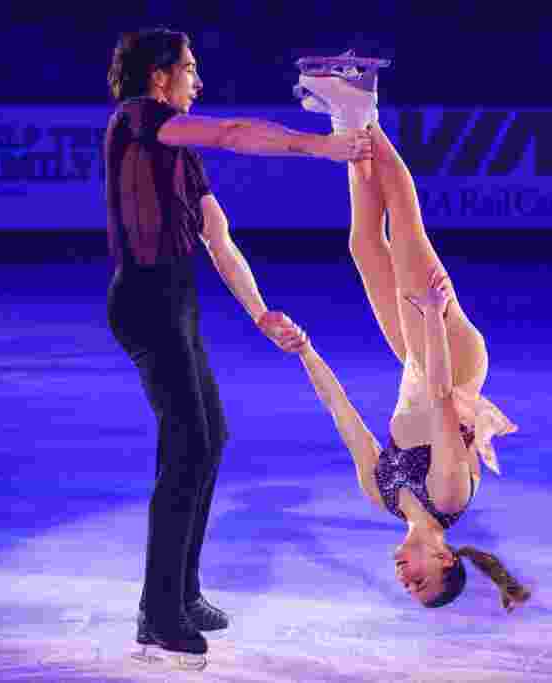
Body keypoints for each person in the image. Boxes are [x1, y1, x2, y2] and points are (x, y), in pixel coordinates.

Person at [103, 28, 372, 659]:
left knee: (208, 437)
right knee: (188, 447)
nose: (198, 81)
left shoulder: (179, 151)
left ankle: (182, 593)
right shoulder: (140, 118)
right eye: (190, 69)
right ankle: (158, 611)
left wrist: (259, 313)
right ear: (160, 76)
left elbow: (219, 238)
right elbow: (235, 133)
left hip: (174, 300)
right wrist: (323, 148)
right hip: (144, 300)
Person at [275, 56, 532, 611]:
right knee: (406, 226)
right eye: (418, 580)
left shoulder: (381, 496)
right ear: (445, 560)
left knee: (364, 245)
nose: (402, 576)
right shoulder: (448, 495)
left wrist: (307, 352)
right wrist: (435, 320)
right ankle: (362, 113)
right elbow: (441, 402)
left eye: (403, 586)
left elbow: (345, 418)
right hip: (449, 360)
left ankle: (350, 120)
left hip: (416, 362)